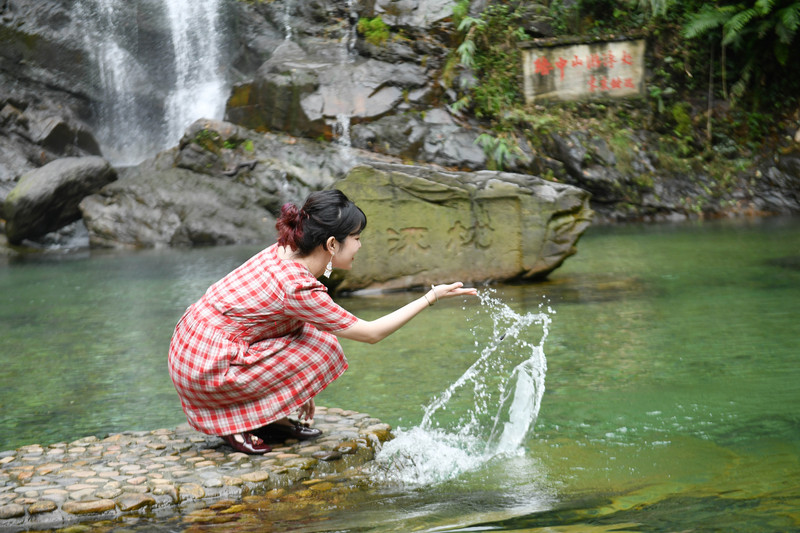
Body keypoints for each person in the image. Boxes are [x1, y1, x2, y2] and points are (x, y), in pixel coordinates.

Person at [168, 189, 477, 454]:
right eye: (355, 238)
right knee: (323, 348)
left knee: (316, 337)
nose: (359, 245)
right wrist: (430, 298)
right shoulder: (299, 287)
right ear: (331, 244)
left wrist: (301, 391)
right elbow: (370, 333)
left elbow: (286, 319)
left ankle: (269, 418)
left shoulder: (286, 249)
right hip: (206, 368)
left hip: (190, 347)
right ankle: (235, 425)